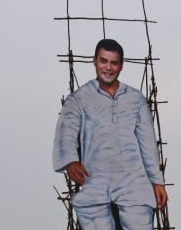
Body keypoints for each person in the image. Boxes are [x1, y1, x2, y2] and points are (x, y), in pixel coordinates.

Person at [52, 39, 168, 230]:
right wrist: (71, 162)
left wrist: (157, 181)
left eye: (114, 63)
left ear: (121, 66)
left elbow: (147, 143)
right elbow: (66, 133)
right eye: (104, 61)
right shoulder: (79, 99)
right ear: (95, 61)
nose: (108, 67)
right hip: (95, 181)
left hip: (134, 183)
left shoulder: (135, 99)